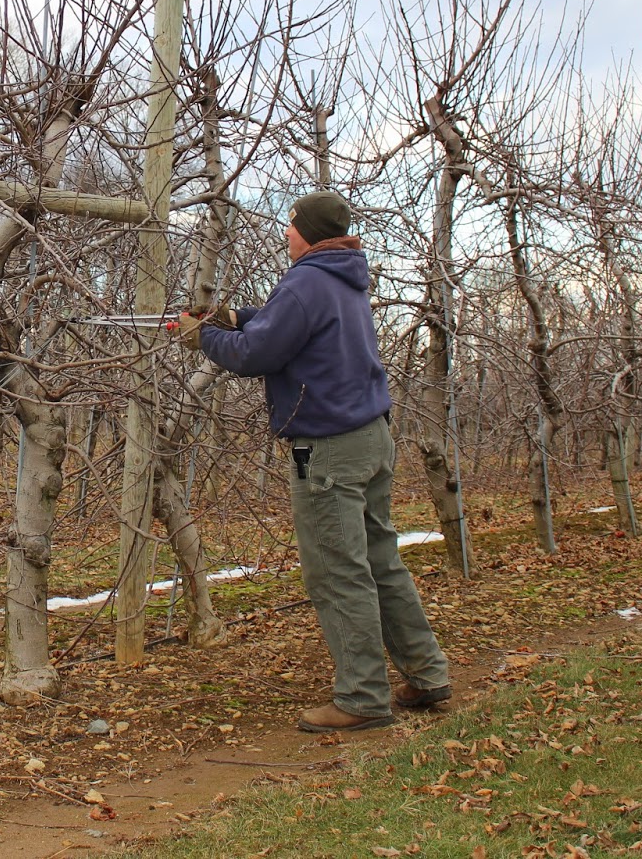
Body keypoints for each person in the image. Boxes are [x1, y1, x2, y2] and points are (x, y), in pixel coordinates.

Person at [177, 190, 450, 732]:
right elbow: (284, 322)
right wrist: (233, 316)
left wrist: (202, 336)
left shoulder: (306, 280)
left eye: (291, 224)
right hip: (370, 438)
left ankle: (362, 698)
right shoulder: (342, 276)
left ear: (309, 231)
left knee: (336, 569)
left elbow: (256, 353)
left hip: (324, 450)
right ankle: (426, 672)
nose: (285, 232)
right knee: (379, 561)